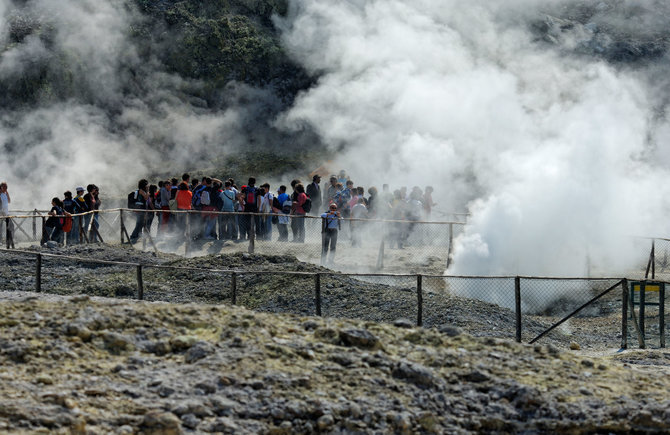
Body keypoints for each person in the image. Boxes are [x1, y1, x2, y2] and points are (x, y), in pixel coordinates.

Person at [129, 179, 149, 244]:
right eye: (147, 185)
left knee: (140, 223)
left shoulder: (142, 191)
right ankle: (133, 236)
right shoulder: (141, 191)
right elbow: (146, 197)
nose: (148, 186)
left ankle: (137, 236)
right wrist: (148, 192)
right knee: (139, 223)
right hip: (139, 210)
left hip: (140, 209)